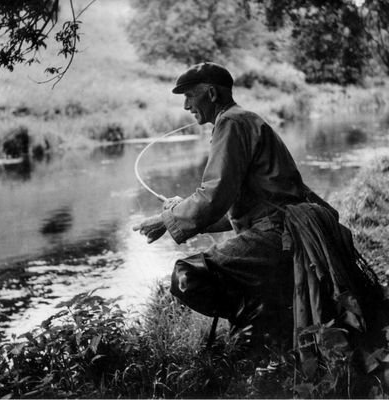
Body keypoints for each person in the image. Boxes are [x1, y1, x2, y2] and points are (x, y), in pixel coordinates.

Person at [133, 62, 387, 374]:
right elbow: (235, 209)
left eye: (189, 96)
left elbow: (213, 197)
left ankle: (256, 329)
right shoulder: (241, 120)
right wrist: (178, 216)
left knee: (186, 275)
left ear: (211, 93)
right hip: (284, 228)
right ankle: (264, 328)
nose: (185, 105)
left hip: (280, 232)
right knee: (215, 272)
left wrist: (166, 219)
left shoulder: (231, 123)